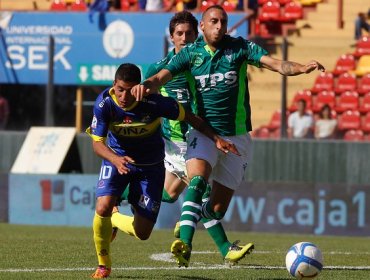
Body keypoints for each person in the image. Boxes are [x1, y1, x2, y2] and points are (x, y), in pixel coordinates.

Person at [131, 4, 325, 267]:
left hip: (238, 138)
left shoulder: (240, 48)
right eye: (213, 21)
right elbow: (161, 78)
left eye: (223, 22)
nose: (219, 26)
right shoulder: (190, 54)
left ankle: (194, 220)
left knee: (216, 209)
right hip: (204, 132)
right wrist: (144, 86)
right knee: (197, 181)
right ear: (203, 26)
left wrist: (302, 67)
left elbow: (277, 64)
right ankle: (184, 244)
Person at [111, 11, 254, 266]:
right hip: (175, 142)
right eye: (180, 34)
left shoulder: (201, 60)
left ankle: (120, 199)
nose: (186, 38)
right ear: (172, 37)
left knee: (170, 195)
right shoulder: (160, 69)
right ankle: (223, 247)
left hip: (199, 134)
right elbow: (147, 96)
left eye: (190, 33)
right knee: (200, 190)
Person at [87, 63, 239, 278]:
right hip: (116, 159)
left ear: (138, 87)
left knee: (143, 233)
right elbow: (97, 144)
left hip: (150, 166)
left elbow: (190, 117)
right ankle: (104, 265)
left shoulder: (154, 103)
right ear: (114, 85)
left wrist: (216, 139)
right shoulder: (104, 104)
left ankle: (115, 219)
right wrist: (115, 159)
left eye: (130, 90)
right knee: (102, 206)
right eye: (120, 89)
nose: (124, 95)